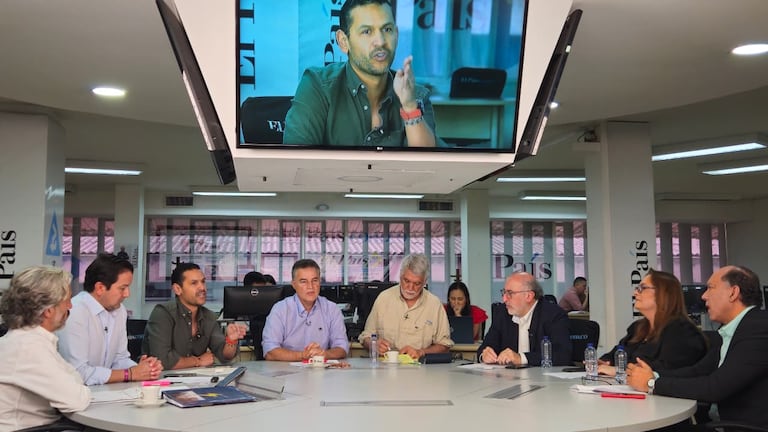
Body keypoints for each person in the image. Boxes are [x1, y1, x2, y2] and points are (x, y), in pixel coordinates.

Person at [627, 265, 768, 427]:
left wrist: (652, 384)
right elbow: (697, 372)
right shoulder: (732, 330)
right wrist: (653, 375)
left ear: (733, 292)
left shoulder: (758, 329)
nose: (703, 296)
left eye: (710, 288)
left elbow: (715, 387)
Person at [282, 0, 437, 147]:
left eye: (387, 29)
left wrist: (410, 108)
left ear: (396, 34)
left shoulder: (416, 95)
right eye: (367, 31)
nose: (381, 41)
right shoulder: (317, 86)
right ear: (343, 41)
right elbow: (297, 165)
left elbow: (427, 168)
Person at [0, 266, 91, 431]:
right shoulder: (28, 348)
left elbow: (77, 379)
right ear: (48, 311)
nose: (70, 306)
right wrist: (79, 389)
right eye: (67, 300)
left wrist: (78, 387)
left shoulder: (26, 340)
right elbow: (76, 399)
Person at [57, 253, 163, 385]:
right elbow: (78, 372)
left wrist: (144, 369)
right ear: (100, 288)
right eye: (122, 288)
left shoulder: (120, 311)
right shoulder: (75, 312)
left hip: (104, 393)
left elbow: (119, 359)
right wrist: (130, 373)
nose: (127, 294)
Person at [597, 268, 707, 377]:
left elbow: (668, 370)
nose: (635, 293)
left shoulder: (682, 331)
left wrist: (621, 371)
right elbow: (617, 353)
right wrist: (604, 362)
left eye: (642, 288)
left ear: (664, 294)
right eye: (637, 288)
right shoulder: (638, 328)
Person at [143, 262, 247, 370]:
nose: (202, 288)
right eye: (194, 283)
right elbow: (162, 361)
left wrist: (231, 340)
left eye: (203, 282)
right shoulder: (163, 313)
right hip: (159, 382)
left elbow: (224, 356)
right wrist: (198, 361)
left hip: (195, 381)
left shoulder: (208, 316)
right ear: (178, 289)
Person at [359, 254, 452, 360]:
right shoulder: (384, 299)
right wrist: (373, 344)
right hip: (385, 369)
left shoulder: (434, 305)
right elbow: (365, 337)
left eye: (417, 283)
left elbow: (445, 345)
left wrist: (421, 352)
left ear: (424, 283)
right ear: (400, 276)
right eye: (406, 281)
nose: (410, 287)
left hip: (421, 371)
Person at [262, 259, 349, 361]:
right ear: (294, 284)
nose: (310, 287)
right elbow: (270, 351)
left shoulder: (331, 309)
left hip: (321, 372)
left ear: (320, 282)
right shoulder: (280, 310)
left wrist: (324, 354)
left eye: (314, 280)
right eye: (303, 281)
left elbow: (342, 347)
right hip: (287, 373)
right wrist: (303, 355)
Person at [478, 272, 571, 366]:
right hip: (509, 378)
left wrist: (521, 358)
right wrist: (484, 354)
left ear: (529, 296)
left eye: (510, 293)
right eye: (504, 292)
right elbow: (486, 346)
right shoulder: (503, 313)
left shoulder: (554, 315)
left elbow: (562, 355)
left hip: (543, 378)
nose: (504, 299)